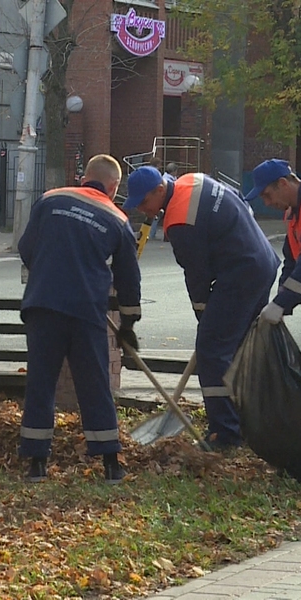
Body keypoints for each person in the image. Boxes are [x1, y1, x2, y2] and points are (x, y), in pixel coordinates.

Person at [124, 166, 279, 451]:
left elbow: (197, 274)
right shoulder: (192, 180)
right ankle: (245, 421)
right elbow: (239, 201)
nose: (142, 210)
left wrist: (203, 314)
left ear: (160, 190)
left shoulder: (179, 221)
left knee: (211, 351)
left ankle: (224, 434)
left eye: (144, 202)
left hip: (240, 274)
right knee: (237, 348)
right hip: (263, 261)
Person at [18, 154, 142, 484]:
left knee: (41, 382)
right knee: (94, 383)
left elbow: (26, 247)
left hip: (43, 305)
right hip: (86, 309)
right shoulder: (117, 218)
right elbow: (129, 278)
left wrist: (49, 271)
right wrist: (129, 323)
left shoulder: (49, 199)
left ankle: (36, 462)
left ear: (85, 176)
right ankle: (111, 463)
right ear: (113, 186)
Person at [244, 159, 301, 323]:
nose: (267, 203)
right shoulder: (290, 213)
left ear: (283, 183)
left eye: (267, 195)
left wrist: (280, 304)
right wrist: (281, 302)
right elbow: (291, 260)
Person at [149, 161, 178, 240]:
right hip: (165, 201)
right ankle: (154, 234)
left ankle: (153, 234)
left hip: (166, 201)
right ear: (174, 171)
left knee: (159, 218)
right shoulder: (167, 179)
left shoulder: (169, 178)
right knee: (160, 218)